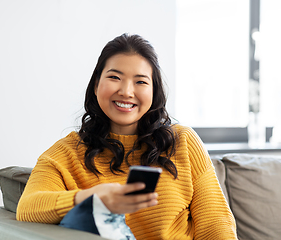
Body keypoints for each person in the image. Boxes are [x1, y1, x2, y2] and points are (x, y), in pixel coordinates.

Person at [16, 33, 237, 239]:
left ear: (154, 91)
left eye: (141, 81)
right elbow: (28, 207)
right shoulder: (65, 154)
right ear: (96, 85)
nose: (126, 91)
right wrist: (93, 199)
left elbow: (217, 227)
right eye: (115, 77)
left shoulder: (183, 141)